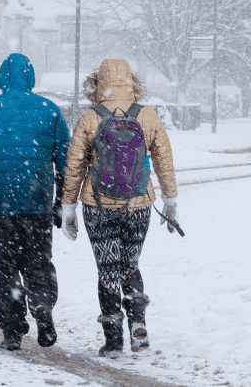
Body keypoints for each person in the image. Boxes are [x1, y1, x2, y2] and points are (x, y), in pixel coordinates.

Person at [60, 58, 178, 359]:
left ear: (97, 84)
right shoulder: (148, 116)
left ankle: (113, 341)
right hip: (138, 205)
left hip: (98, 206)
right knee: (130, 265)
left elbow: (74, 165)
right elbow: (164, 160)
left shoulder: (90, 117)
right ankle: (138, 326)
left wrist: (68, 207)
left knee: (108, 269)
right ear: (132, 82)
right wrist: (170, 199)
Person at [0, 53, 70, 351]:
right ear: (31, 77)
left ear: (2, 79)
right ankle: (42, 306)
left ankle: (12, 329)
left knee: (5, 267)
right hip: (38, 204)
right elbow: (66, 163)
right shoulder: (50, 110)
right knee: (38, 263)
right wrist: (62, 201)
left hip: (2, 207)